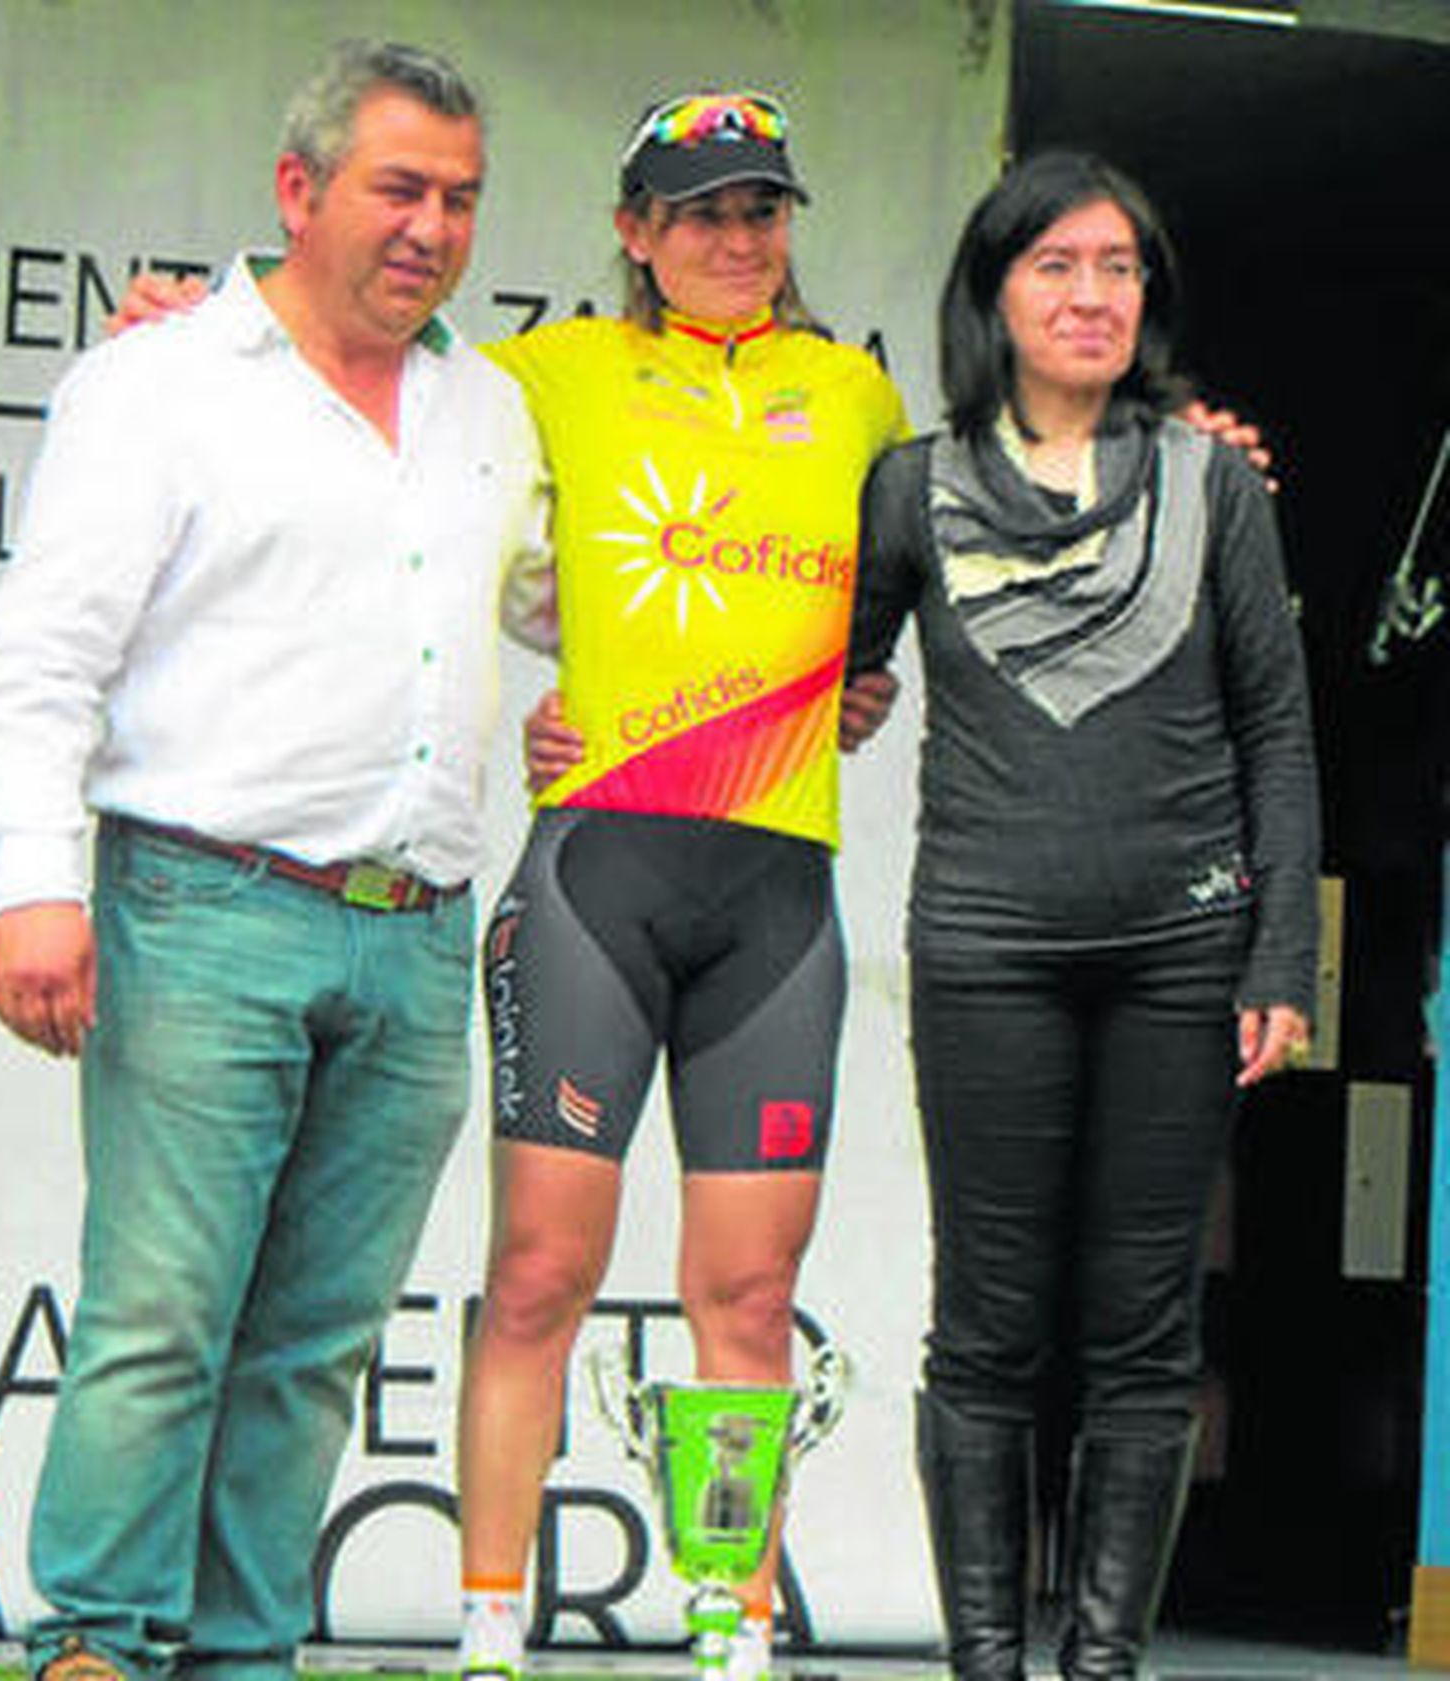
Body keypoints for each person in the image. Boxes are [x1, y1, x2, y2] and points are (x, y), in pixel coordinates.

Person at [0, 40, 549, 1681]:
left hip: (415, 934)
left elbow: (587, 600)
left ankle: (237, 1655)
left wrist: (821, 649)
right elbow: (44, 654)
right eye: (398, 188)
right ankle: (97, 1639)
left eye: (461, 197)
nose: (433, 227)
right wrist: (33, 875)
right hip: (204, 905)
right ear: (298, 192)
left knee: (310, 1349)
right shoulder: (156, 383)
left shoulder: (491, 406)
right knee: (161, 1318)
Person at [453, 92, 909, 1681]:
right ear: (635, 232)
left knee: (749, 1287)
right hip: (601, 865)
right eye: (704, 212)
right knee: (539, 1271)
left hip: (778, 886)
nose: (740, 240)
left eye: (764, 209)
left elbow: (920, 561)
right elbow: (355, 396)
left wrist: (869, 679)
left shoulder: (854, 392)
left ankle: (734, 1616)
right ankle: (490, 1625)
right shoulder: (551, 369)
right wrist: (180, 319)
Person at [847, 151, 1320, 1680]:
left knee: (1143, 1329)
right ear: (993, 292)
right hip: (985, 946)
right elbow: (822, 666)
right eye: (1056, 264)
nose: (1092, 294)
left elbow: (1278, 726)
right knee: (983, 1324)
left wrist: (1279, 954)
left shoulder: (1211, 479)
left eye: (1118, 266)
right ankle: (987, 1659)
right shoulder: (910, 485)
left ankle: (1104, 1661)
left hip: (1183, 948)